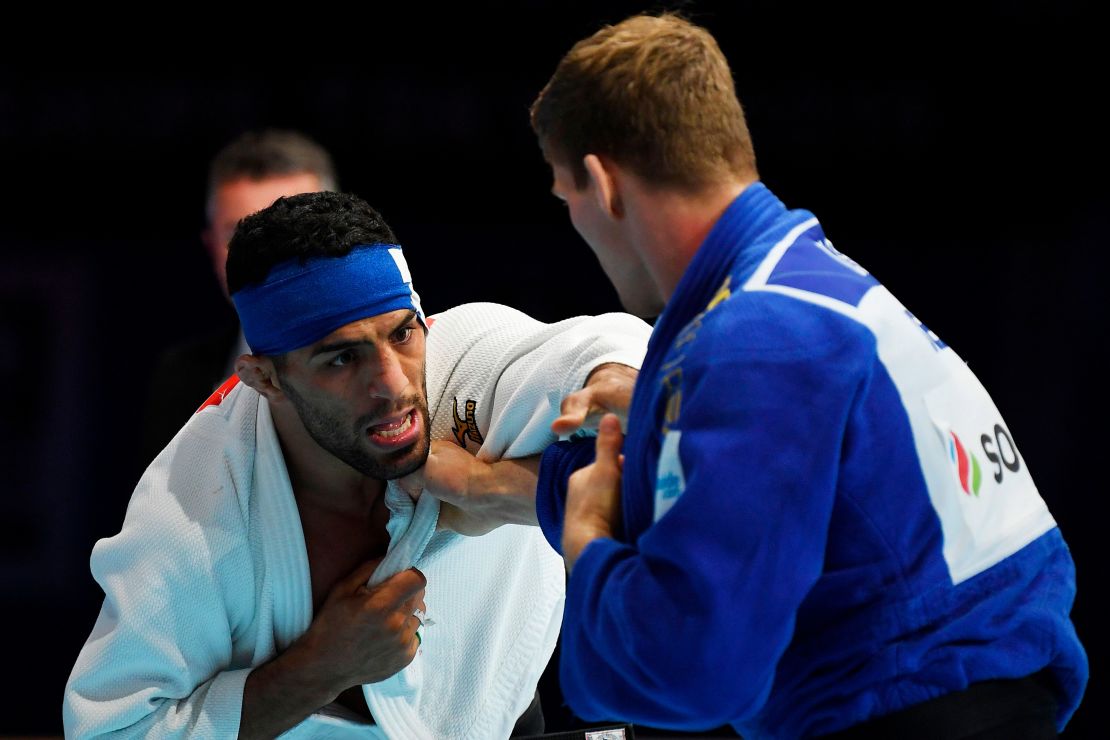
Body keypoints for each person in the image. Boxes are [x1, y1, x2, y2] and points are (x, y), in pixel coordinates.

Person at [524, 13, 1087, 738]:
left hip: (917, 712)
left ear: (603, 185)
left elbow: (694, 669)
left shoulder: (760, 342)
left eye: (563, 195)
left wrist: (589, 539)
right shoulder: (815, 290)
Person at [64, 191, 651, 738]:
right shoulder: (195, 511)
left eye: (402, 334)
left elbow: (602, 347)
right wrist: (321, 667)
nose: (393, 384)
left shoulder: (464, 364)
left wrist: (488, 484)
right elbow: (110, 728)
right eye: (343, 359)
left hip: (499, 715)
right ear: (266, 379)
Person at [142, 129, 337, 462]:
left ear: (337, 236)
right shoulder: (180, 378)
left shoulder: (404, 366)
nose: (264, 254)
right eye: (239, 234)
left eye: (291, 229)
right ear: (211, 247)